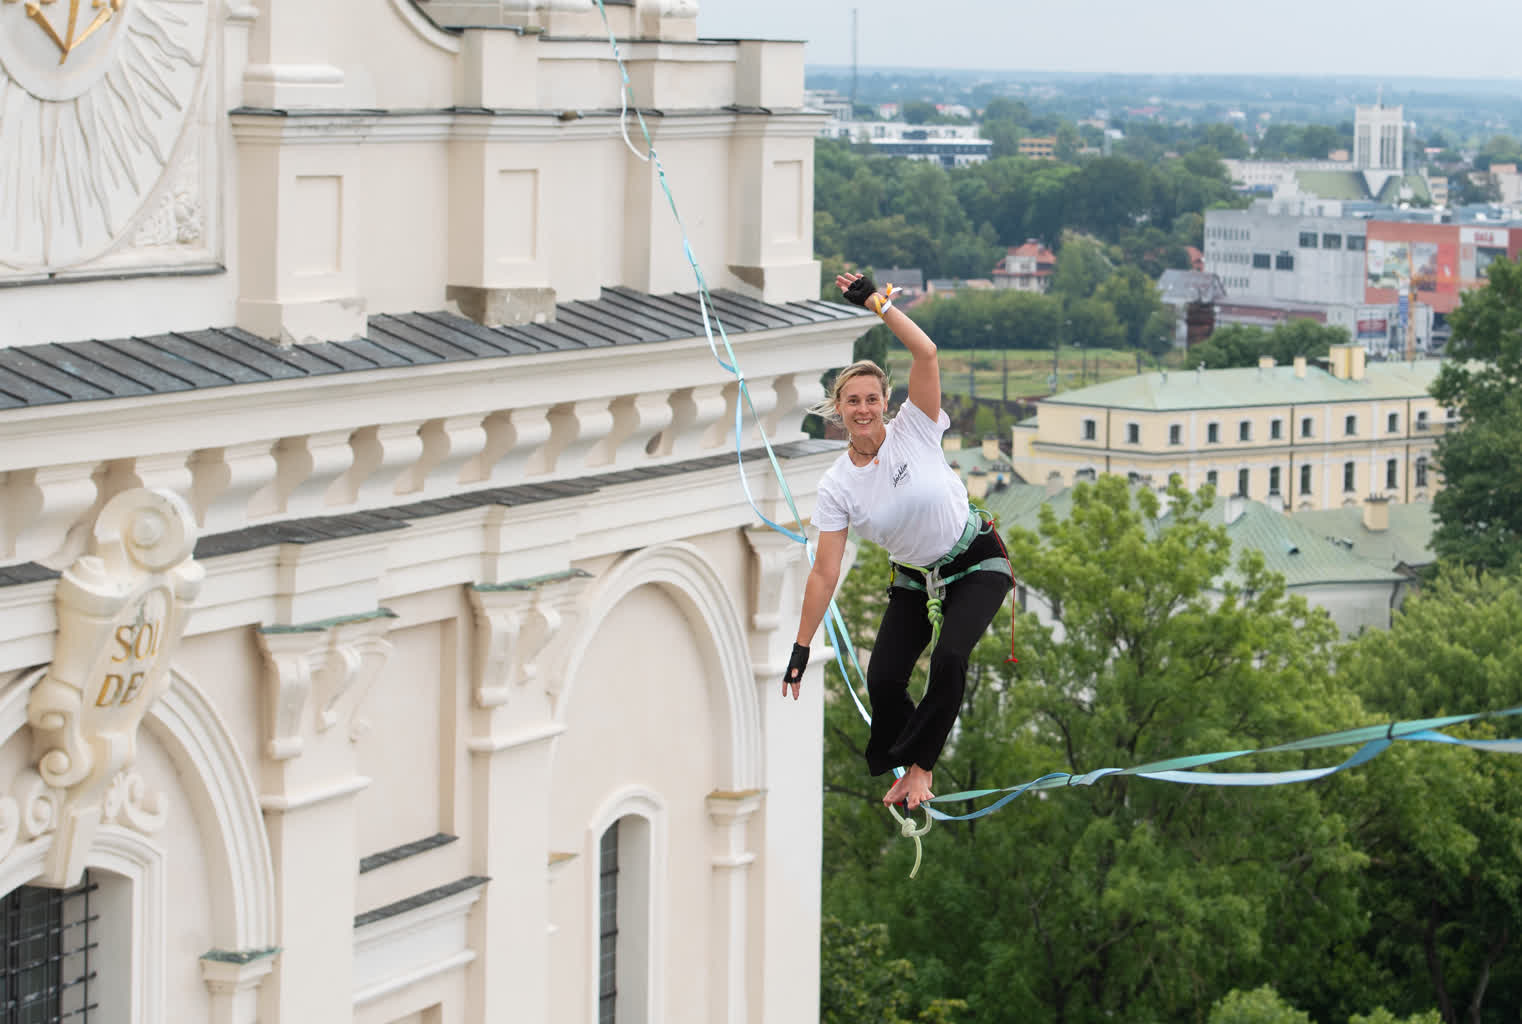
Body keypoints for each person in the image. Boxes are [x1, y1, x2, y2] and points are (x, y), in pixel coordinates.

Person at [783, 272, 1012, 812]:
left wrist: (875, 303)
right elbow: (824, 572)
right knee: (882, 678)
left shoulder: (916, 426)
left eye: (871, 398)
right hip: (916, 578)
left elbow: (926, 352)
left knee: (950, 657)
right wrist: (800, 646)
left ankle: (920, 769)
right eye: (851, 401)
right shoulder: (837, 484)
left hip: (975, 561)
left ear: (885, 402)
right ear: (837, 410)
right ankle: (907, 769)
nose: (862, 409)